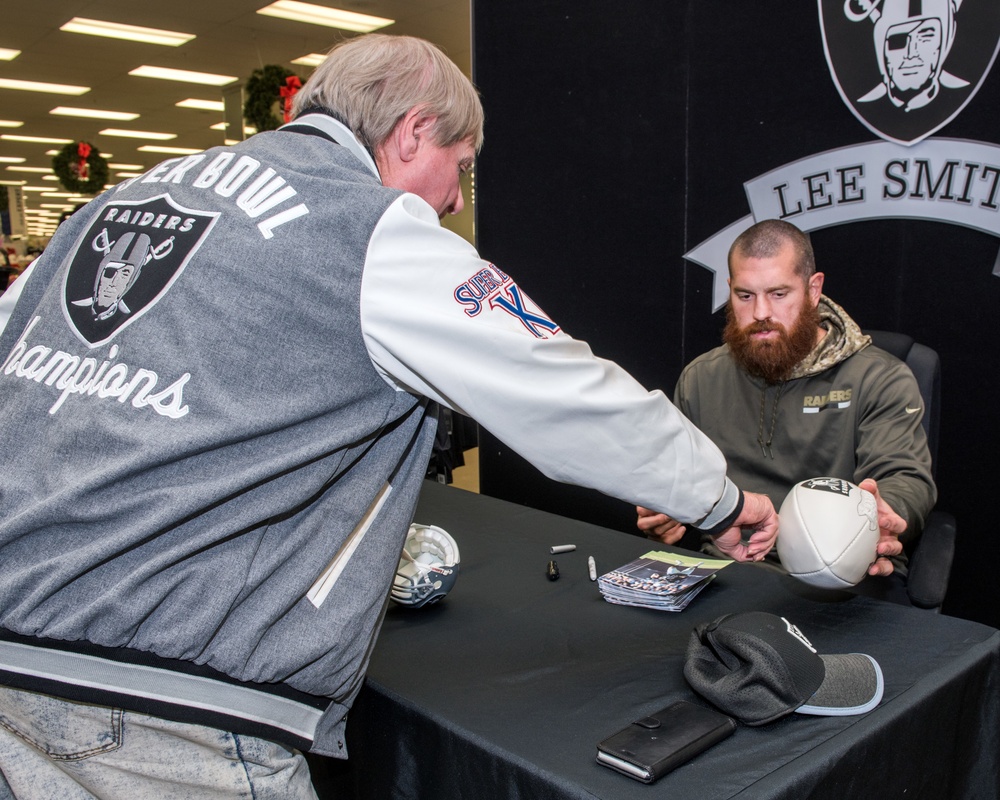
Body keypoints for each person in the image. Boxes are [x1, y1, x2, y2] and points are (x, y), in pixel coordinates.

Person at [0, 34, 778, 799]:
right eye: (461, 167)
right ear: (411, 131)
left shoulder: (117, 203)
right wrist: (719, 501)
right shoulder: (365, 225)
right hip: (164, 708)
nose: (454, 200)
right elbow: (560, 387)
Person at [637, 219, 935, 594]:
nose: (761, 312)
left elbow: (904, 477)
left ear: (813, 290)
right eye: (745, 296)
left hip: (839, 579)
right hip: (727, 574)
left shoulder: (879, 378)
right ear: (729, 291)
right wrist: (666, 512)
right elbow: (677, 481)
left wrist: (887, 514)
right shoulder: (701, 378)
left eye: (778, 294)